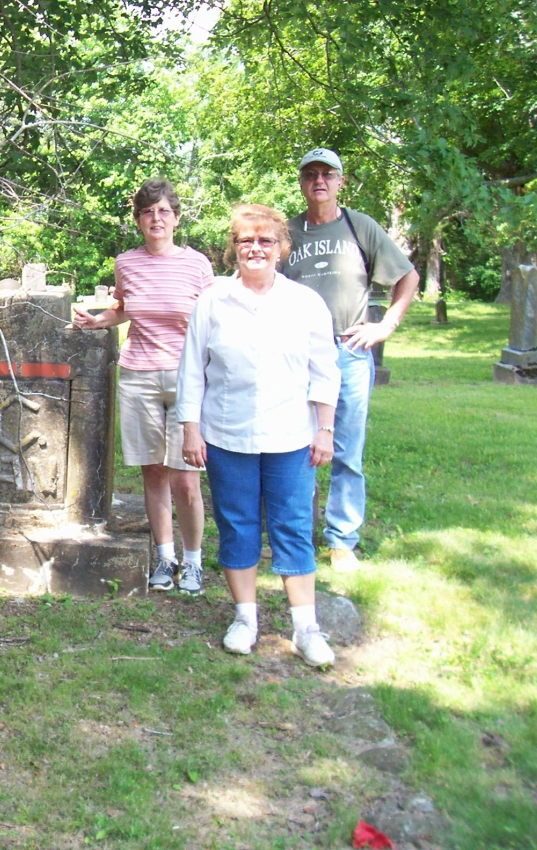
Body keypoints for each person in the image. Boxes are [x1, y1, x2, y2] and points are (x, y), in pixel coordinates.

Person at [178, 204, 340, 667]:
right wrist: (191, 430)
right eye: (246, 240)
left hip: (291, 435)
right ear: (234, 247)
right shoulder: (212, 301)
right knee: (237, 525)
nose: (255, 248)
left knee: (292, 527)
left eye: (265, 240)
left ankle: (306, 627)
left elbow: (325, 372)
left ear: (282, 249)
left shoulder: (305, 303)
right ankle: (245, 618)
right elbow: (192, 372)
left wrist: (324, 429)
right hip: (228, 436)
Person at [73, 179, 213, 593]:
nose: (157, 218)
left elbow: (211, 321)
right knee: (154, 472)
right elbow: (124, 308)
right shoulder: (126, 263)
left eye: (164, 211)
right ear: (138, 220)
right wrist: (99, 321)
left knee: (186, 478)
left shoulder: (196, 264)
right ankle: (164, 558)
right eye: (148, 211)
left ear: (176, 218)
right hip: (139, 375)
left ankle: (193, 562)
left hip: (187, 379)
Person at [284, 148, 420, 572]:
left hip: (349, 350)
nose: (319, 181)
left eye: (328, 174)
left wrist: (386, 326)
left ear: (341, 181)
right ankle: (296, 536)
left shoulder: (359, 227)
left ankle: (342, 540)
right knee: (294, 446)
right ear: (302, 182)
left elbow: (407, 275)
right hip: (298, 354)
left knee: (346, 449)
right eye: (310, 174)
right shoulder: (287, 233)